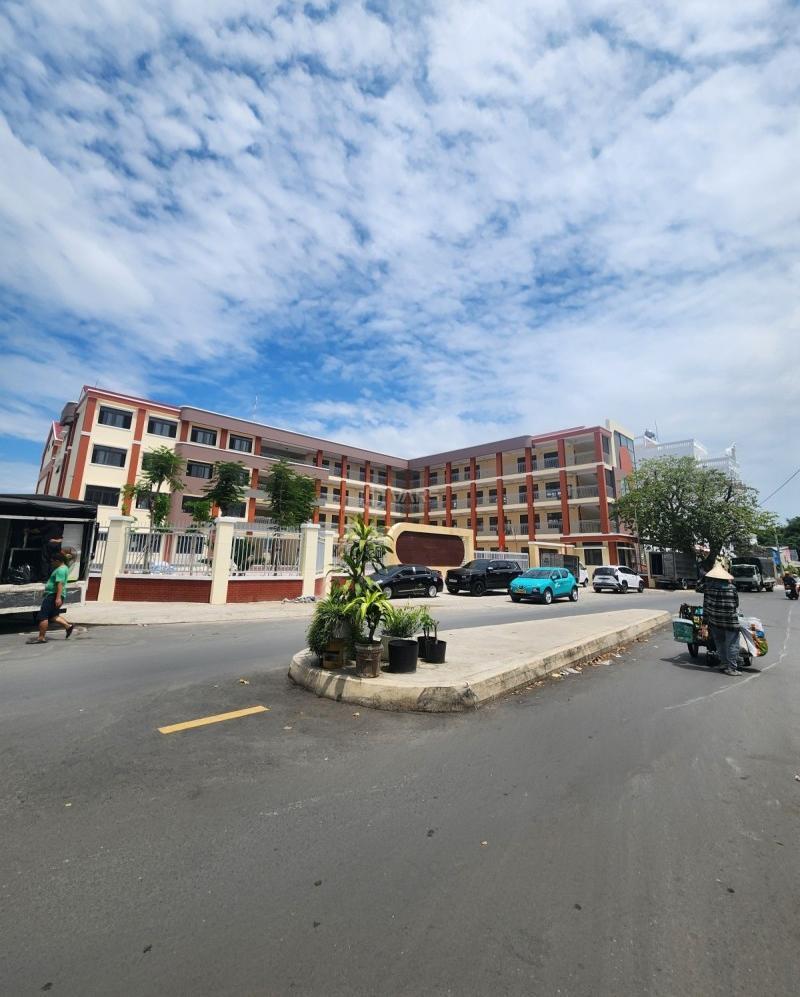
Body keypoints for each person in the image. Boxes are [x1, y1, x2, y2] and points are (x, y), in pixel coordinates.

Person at [702, 561, 741, 676]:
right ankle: (732, 668)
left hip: (714, 620)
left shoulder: (708, 589)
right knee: (732, 644)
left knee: (720, 642)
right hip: (730, 621)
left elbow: (705, 606)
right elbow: (736, 604)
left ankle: (724, 663)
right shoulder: (732, 588)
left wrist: (705, 623)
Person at [32, 548, 75, 644]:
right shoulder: (65, 568)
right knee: (53, 616)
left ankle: (41, 638)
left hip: (53, 595)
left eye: (53, 561)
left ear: (58, 561)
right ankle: (68, 626)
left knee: (43, 616)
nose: (52, 563)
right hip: (54, 594)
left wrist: (58, 598)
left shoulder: (60, 570)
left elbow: (60, 584)